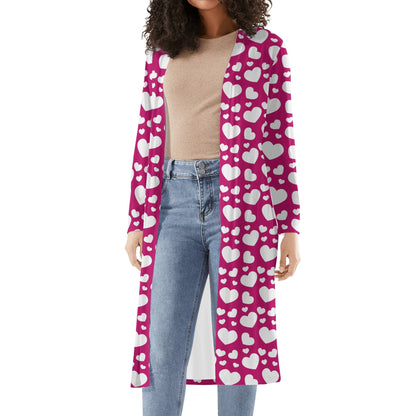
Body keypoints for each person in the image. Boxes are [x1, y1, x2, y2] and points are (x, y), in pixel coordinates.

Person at [125, 1, 301, 415]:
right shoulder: (162, 51)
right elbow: (148, 134)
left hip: (244, 206)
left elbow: (278, 139)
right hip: (171, 204)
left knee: (240, 339)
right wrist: (136, 217)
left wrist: (289, 225)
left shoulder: (266, 48)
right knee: (161, 345)